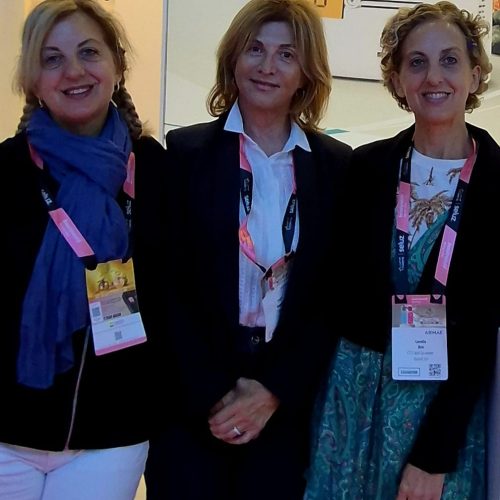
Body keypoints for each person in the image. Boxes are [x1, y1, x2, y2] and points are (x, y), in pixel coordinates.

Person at [144, 1, 352, 499]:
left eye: (286, 54)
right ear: (234, 59)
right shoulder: (184, 153)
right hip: (194, 402)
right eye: (255, 49)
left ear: (306, 74)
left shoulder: (335, 166)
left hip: (285, 402)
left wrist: (274, 390)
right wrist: (215, 394)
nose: (267, 66)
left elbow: (332, 295)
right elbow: (167, 287)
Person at [305, 2, 500, 499]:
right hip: (355, 404)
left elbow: (482, 330)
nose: (434, 76)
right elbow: (332, 294)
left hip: (445, 415)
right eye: (416, 62)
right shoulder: (365, 169)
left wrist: (434, 455)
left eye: (450, 60)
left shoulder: (499, 184)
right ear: (396, 80)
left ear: (476, 74)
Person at [0, 0, 169, 498]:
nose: (73, 71)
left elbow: (180, 300)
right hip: (7, 433)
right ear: (33, 79)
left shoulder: (158, 171)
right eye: (52, 58)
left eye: (88, 52)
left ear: (118, 65)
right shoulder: (5, 171)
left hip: (111, 435)